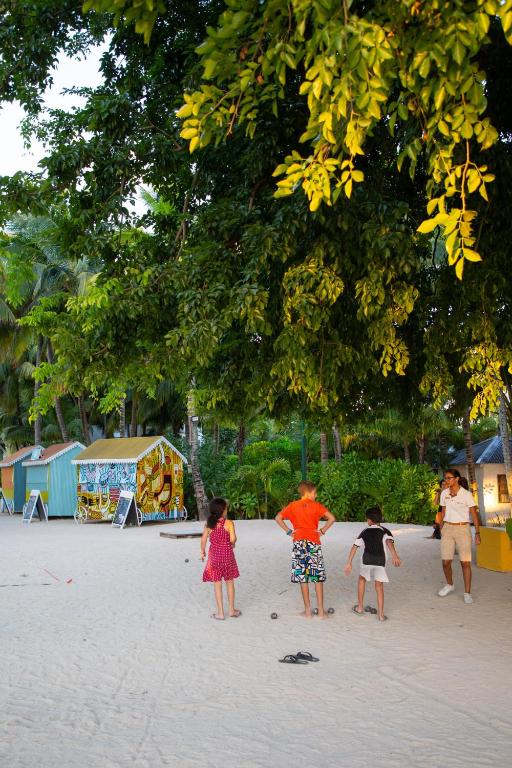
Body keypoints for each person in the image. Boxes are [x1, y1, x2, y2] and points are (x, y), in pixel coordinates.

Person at [275, 480, 336, 618]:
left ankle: (308, 611)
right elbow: (332, 518)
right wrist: (323, 530)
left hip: (299, 543)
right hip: (313, 542)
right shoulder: (317, 506)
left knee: (303, 577)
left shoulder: (293, 506)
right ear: (308, 493)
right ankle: (321, 611)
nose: (316, 495)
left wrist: (289, 531)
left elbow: (278, 518)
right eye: (314, 493)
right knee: (317, 578)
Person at [344, 507, 401, 622]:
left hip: (367, 560)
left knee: (361, 580)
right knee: (379, 586)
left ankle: (360, 608)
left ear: (369, 520)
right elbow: (389, 542)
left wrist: (349, 562)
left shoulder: (365, 531)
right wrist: (395, 556)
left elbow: (354, 547)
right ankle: (380, 615)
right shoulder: (385, 531)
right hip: (380, 561)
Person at [438, 469, 480, 604]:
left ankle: (467, 593)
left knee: (465, 563)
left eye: (449, 478)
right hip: (448, 528)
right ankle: (450, 585)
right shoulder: (444, 493)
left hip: (463, 529)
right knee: (445, 562)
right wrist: (442, 528)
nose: (446, 480)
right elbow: (442, 513)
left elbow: (474, 515)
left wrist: (477, 533)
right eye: (445, 478)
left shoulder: (466, 495)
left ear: (456, 479)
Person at [200, 497, 241, 620]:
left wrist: (202, 552)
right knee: (229, 582)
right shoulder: (229, 523)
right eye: (226, 508)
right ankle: (232, 610)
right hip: (227, 556)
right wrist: (232, 543)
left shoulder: (209, 523)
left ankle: (220, 613)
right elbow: (233, 539)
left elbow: (203, 540)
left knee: (217, 585)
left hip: (214, 557)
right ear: (222, 510)